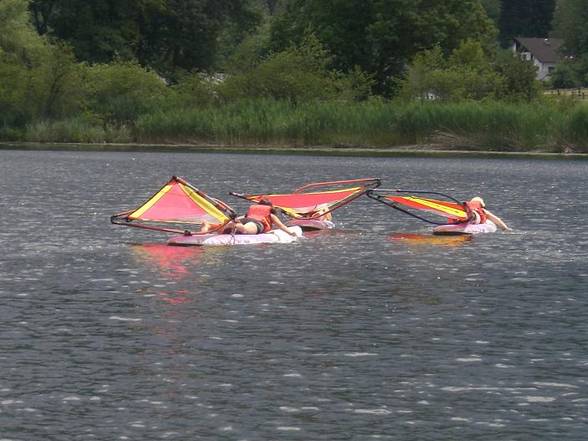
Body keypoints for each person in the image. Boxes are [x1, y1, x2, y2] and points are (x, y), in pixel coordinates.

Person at [200, 198, 297, 236]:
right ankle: (236, 226)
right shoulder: (270, 214)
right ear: (270, 207)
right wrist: (290, 233)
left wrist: (235, 220)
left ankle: (208, 226)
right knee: (245, 230)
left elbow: (243, 217)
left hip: (245, 219)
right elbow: (281, 226)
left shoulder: (252, 211)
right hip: (256, 224)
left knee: (221, 228)